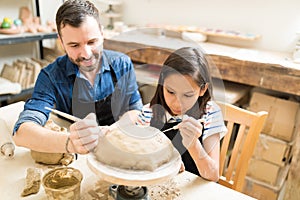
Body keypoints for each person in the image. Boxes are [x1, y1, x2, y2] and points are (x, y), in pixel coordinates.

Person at [12, 0, 142, 155]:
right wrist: (70, 144)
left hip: (117, 143)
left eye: (92, 42)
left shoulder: (122, 64)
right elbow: (21, 133)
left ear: (102, 33)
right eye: (74, 45)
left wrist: (112, 131)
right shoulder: (50, 77)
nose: (86, 54)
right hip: (76, 153)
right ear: (61, 42)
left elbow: (134, 108)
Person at [134, 47, 227, 182]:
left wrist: (193, 144)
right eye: (170, 92)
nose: (178, 103)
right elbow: (135, 156)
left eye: (188, 95)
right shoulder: (148, 112)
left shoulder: (210, 113)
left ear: (202, 90)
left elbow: (213, 175)